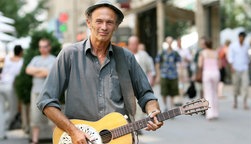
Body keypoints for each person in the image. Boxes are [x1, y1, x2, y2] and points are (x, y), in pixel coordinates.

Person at [37, 1, 163, 144]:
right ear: (89, 23)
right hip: (80, 139)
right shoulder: (70, 55)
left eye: (109, 22)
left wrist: (153, 111)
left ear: (115, 26)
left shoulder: (126, 57)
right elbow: (46, 101)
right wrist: (73, 131)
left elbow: (146, 94)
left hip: (119, 138)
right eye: (99, 21)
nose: (104, 27)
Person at [26, 38, 56, 144]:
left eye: (44, 46)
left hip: (49, 93)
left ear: (49, 47)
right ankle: (35, 140)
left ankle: (55, 141)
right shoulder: (36, 58)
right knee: (34, 118)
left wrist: (36, 71)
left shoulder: (53, 59)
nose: (42, 49)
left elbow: (48, 73)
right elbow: (28, 70)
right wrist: (41, 71)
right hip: (35, 92)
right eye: (40, 47)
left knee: (53, 119)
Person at [0, 45, 23, 140]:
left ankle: (1, 133)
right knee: (12, 110)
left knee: (1, 110)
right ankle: (3, 128)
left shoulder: (7, 58)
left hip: (1, 83)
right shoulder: (22, 61)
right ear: (21, 52)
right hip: (10, 86)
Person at [155, 36, 181, 111]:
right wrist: (158, 75)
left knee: (172, 92)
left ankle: (171, 107)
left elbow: (180, 62)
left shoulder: (175, 53)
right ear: (166, 42)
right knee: (164, 92)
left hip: (173, 75)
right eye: (168, 42)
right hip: (164, 74)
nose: (169, 43)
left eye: (171, 42)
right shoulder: (162, 52)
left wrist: (181, 74)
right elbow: (157, 63)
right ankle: (165, 105)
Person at [198, 39, 220, 120]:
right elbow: (219, 65)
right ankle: (215, 113)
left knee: (208, 93)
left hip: (207, 73)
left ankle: (209, 114)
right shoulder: (215, 53)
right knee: (215, 93)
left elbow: (200, 64)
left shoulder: (203, 53)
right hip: (215, 73)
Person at [227, 32, 250, 109]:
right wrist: (231, 66)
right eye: (241, 38)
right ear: (239, 37)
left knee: (245, 85)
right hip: (236, 67)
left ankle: (245, 102)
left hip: (244, 68)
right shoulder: (233, 46)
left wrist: (248, 64)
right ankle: (235, 100)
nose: (242, 39)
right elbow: (230, 57)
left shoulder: (246, 46)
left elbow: (247, 56)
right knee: (235, 85)